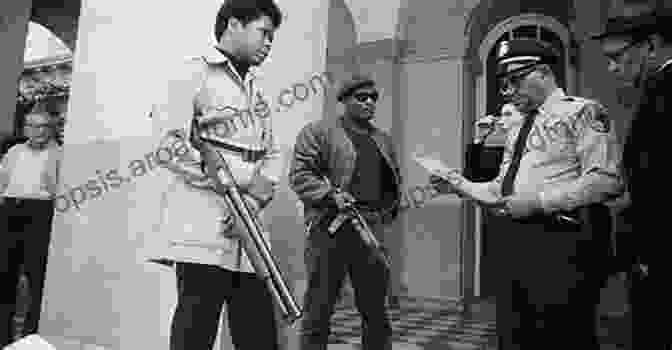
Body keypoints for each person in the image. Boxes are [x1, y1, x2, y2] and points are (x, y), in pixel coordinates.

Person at [430, 38, 623, 349]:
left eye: (515, 79)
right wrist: (458, 184)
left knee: (563, 336)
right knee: (514, 335)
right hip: (514, 243)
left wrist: (537, 203)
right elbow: (500, 188)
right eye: (503, 81)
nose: (507, 89)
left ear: (544, 72)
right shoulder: (519, 126)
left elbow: (606, 180)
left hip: (562, 245)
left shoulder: (583, 112)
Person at [148, 1, 284, 349]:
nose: (269, 43)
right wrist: (234, 181)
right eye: (264, 33)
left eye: (272, 36)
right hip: (203, 226)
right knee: (196, 331)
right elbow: (167, 146)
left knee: (258, 335)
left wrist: (253, 200)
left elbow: (273, 152)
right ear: (235, 24)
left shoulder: (259, 89)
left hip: (249, 228)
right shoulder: (192, 73)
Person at [289, 74, 402, 350]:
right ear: (344, 101)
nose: (368, 103)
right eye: (361, 98)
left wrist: (387, 212)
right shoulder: (318, 132)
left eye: (373, 98)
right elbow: (300, 174)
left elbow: (393, 180)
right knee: (319, 308)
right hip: (331, 229)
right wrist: (330, 195)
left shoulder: (383, 140)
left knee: (376, 311)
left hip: (369, 229)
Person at [592, 4, 672, 349]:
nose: (611, 68)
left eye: (617, 57)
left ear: (651, 46)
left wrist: (647, 257)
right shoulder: (656, 89)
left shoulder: (667, 93)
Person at [0, 102, 62, 346]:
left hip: (41, 211)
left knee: (37, 275)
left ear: (52, 129)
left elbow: (61, 189)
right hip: (10, 210)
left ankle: (31, 335)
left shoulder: (59, 153)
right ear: (25, 128)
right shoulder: (14, 151)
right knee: (4, 273)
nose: (36, 132)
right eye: (31, 126)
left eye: (43, 126)